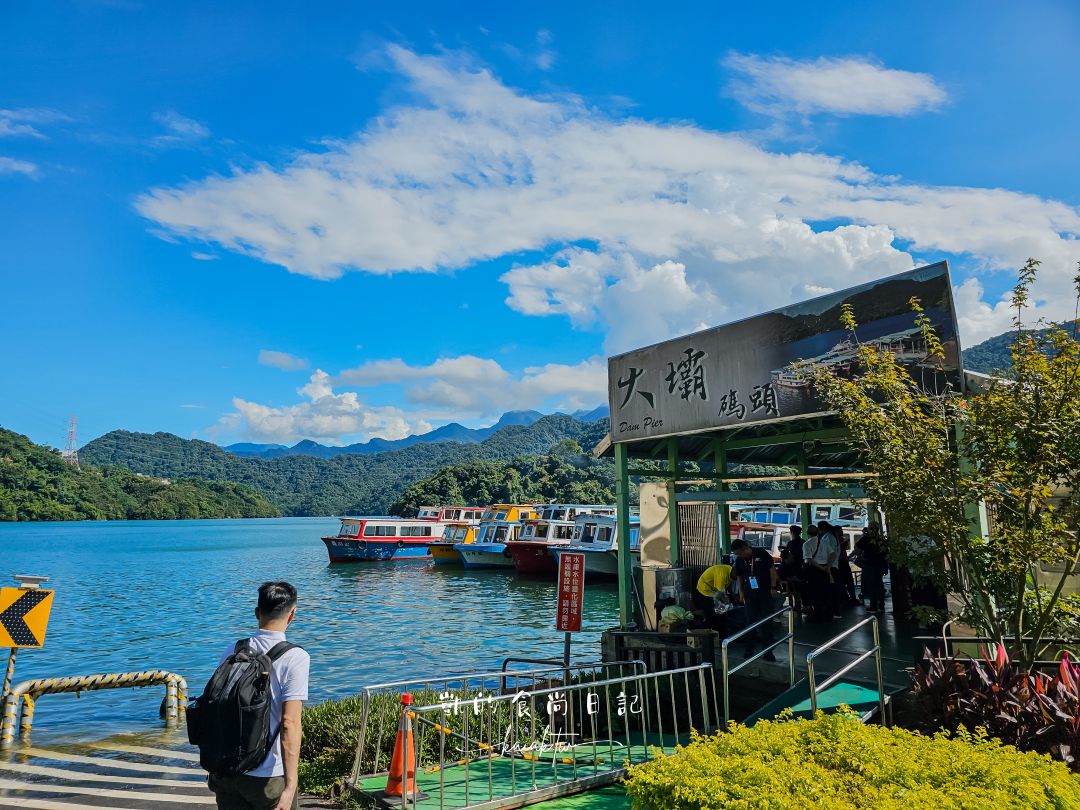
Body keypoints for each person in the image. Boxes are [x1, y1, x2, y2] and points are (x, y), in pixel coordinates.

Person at [208, 582, 310, 810]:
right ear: (292, 615)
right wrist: (290, 785)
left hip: (227, 770)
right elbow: (289, 723)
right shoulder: (296, 657)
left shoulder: (233, 649)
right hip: (267, 778)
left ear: (257, 612)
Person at [731, 539, 779, 661]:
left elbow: (772, 570)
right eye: (737, 554)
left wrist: (773, 587)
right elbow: (740, 576)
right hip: (750, 593)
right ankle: (749, 648)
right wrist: (741, 592)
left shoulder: (761, 553)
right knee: (750, 621)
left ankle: (768, 651)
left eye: (741, 553)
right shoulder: (740, 560)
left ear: (745, 548)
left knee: (767, 621)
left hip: (764, 592)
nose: (740, 556)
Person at [803, 523, 837, 623]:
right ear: (817, 532)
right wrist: (828, 567)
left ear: (807, 533)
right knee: (826, 592)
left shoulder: (807, 544)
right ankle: (828, 615)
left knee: (815, 593)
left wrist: (822, 568)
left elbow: (809, 560)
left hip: (814, 571)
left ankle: (818, 616)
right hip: (825, 569)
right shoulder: (824, 543)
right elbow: (833, 554)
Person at [693, 563, 737, 634]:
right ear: (734, 572)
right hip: (704, 589)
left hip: (714, 589)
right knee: (710, 611)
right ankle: (710, 631)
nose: (737, 579)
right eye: (737, 576)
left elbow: (727, 586)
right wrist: (729, 605)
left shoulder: (730, 570)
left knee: (719, 610)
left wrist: (734, 596)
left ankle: (719, 627)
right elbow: (721, 595)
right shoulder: (722, 575)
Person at [855, 527, 888, 613]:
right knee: (879, 585)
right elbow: (886, 553)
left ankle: (873, 606)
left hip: (869, 565)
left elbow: (857, 548)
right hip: (880, 565)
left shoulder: (866, 539)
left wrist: (860, 556)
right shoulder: (882, 539)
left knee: (871, 586)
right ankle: (881, 605)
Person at [833, 525, 860, 607]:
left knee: (846, 582)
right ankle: (849, 598)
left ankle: (849, 598)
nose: (842, 532)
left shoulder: (838, 540)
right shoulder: (836, 541)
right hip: (841, 562)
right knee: (847, 582)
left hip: (842, 562)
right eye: (840, 530)